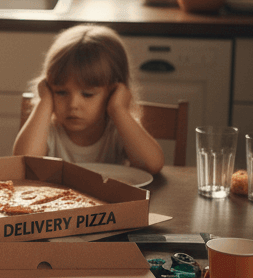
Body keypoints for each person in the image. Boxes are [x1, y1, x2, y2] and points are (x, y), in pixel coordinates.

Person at [13, 23, 165, 174]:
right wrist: (45, 102)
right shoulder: (48, 130)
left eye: (87, 94)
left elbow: (153, 165)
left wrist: (119, 109)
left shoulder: (117, 129)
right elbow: (24, 162)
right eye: (61, 92)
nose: (73, 104)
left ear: (114, 92)